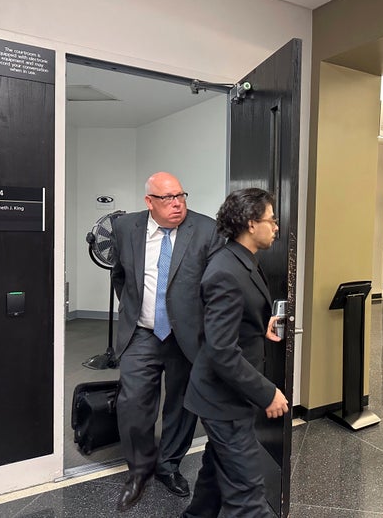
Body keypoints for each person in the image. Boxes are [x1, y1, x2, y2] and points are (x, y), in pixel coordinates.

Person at [110, 172, 223, 511]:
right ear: (149, 202)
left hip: (186, 336)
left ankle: (168, 465)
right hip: (142, 332)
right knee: (133, 403)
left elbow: (215, 286)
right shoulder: (126, 228)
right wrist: (135, 311)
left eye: (181, 196)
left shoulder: (206, 229)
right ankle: (139, 470)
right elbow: (120, 276)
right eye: (168, 198)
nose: (177, 203)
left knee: (182, 405)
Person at [182, 188, 289, 518]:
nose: (276, 228)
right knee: (247, 495)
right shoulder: (225, 271)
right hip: (221, 399)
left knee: (215, 472)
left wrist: (260, 325)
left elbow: (232, 325)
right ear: (250, 223)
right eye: (272, 220)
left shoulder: (243, 261)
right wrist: (267, 392)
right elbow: (221, 351)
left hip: (225, 396)